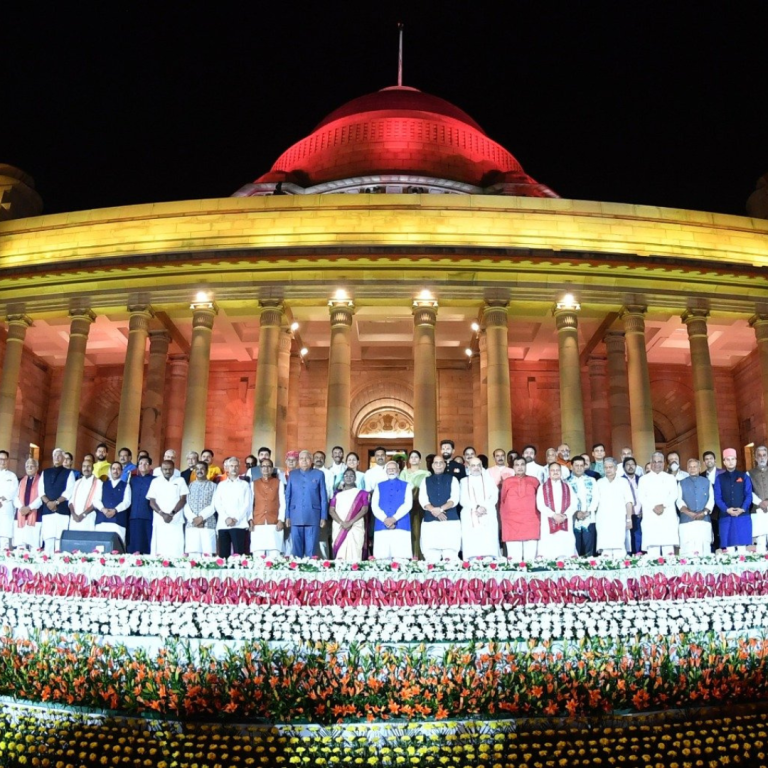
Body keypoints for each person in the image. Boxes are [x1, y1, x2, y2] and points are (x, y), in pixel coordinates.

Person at [284, 450, 328, 558]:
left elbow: (323, 497)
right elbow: (288, 496)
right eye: (301, 458)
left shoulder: (319, 474)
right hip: (296, 515)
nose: (304, 460)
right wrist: (287, 516)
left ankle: (310, 572)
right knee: (296, 549)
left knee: (311, 549)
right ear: (298, 461)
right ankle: (297, 572)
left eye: (307, 458)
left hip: (313, 515)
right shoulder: (292, 474)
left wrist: (323, 516)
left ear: (311, 460)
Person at [419, 456, 461, 562]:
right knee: (431, 556)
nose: (438, 465)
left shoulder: (453, 479)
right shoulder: (425, 480)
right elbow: (423, 500)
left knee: (450, 555)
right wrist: (434, 511)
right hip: (430, 521)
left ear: (444, 465)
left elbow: (454, 499)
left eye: (441, 463)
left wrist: (441, 509)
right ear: (432, 465)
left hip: (450, 520)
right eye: (436, 463)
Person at [637, 452, 680, 557]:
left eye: (660, 461)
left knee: (668, 550)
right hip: (651, 516)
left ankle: (671, 574)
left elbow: (674, 494)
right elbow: (641, 496)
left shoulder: (670, 478)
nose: (657, 464)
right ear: (651, 463)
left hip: (667, 515)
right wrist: (653, 507)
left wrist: (663, 505)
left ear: (664, 463)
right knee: (653, 551)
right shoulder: (643, 479)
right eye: (654, 462)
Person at [499, 457, 540, 560]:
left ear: (526, 466)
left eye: (522, 464)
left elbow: (540, 501)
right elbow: (502, 501)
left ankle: (531, 577)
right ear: (513, 467)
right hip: (511, 522)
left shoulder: (534, 481)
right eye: (517, 465)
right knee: (514, 559)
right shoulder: (507, 482)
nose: (520, 467)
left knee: (531, 559)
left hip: (531, 522)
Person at [459, 458, 499, 559]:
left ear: (482, 467)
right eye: (473, 465)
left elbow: (494, 496)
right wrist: (476, 507)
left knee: (488, 543)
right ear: (468, 467)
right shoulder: (463, 481)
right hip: (470, 516)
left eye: (478, 465)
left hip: (488, 513)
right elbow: (462, 499)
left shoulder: (489, 480)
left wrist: (484, 507)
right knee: (472, 544)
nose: (476, 468)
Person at [714, 448, 753, 553]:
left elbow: (749, 495)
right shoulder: (719, 478)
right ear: (724, 462)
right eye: (728, 459)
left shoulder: (744, 476)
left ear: (736, 460)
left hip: (742, 517)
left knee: (742, 551)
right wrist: (727, 510)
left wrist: (742, 509)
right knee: (728, 550)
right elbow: (717, 498)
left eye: (733, 459)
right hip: (726, 517)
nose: (730, 461)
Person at [370, 462, 411, 560]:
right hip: (382, 524)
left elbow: (408, 504)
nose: (391, 471)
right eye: (389, 469)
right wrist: (385, 519)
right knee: (382, 558)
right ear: (386, 471)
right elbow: (374, 505)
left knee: (401, 559)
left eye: (394, 469)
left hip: (401, 524)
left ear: (398, 470)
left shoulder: (407, 485)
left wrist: (394, 518)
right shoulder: (379, 485)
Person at [148, 460, 188, 557]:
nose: (167, 471)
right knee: (160, 549)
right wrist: (162, 514)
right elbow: (151, 501)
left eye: (170, 469)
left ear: (174, 469)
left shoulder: (180, 480)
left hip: (176, 520)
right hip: (160, 520)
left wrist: (171, 514)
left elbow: (183, 500)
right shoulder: (155, 481)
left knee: (176, 549)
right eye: (165, 469)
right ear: (161, 470)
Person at [595, 458, 634, 558]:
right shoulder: (599, 482)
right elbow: (595, 503)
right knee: (605, 551)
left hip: (619, 520)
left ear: (616, 468)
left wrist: (629, 519)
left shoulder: (623, 482)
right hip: (603, 520)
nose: (608, 470)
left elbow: (628, 502)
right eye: (606, 467)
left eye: (610, 467)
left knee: (619, 550)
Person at [536, 463, 577, 558]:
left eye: (557, 470)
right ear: (549, 473)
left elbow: (574, 504)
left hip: (565, 521)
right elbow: (540, 505)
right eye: (553, 470)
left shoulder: (568, 487)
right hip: (548, 522)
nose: (555, 472)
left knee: (565, 547)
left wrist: (565, 515)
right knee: (549, 551)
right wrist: (553, 515)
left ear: (561, 472)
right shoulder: (542, 487)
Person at [213, 457, 252, 557]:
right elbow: (217, 503)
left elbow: (247, 504)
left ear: (239, 468)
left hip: (239, 524)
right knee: (223, 555)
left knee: (239, 555)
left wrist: (236, 519)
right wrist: (226, 518)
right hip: (223, 523)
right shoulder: (221, 485)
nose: (234, 468)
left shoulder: (245, 485)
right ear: (227, 468)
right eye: (231, 466)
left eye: (236, 466)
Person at [39, 448, 75, 553]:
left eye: (59, 456)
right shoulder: (45, 472)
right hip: (47, 511)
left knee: (60, 541)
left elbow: (69, 492)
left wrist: (56, 503)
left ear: (63, 458)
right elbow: (41, 491)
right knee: (48, 540)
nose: (57, 458)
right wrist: (48, 503)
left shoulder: (69, 473)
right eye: (55, 455)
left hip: (61, 511)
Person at [331, 467, 371, 560]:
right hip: (339, 525)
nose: (348, 477)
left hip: (356, 525)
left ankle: (355, 570)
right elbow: (331, 510)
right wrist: (342, 523)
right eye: (346, 476)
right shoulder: (337, 494)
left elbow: (364, 509)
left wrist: (350, 522)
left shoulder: (362, 493)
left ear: (355, 478)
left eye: (351, 476)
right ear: (343, 478)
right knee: (340, 550)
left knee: (355, 551)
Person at [677, 458, 714, 556]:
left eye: (695, 467)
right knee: (687, 550)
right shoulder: (681, 483)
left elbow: (711, 500)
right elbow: (679, 501)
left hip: (704, 520)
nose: (692, 469)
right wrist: (689, 513)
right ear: (687, 469)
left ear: (699, 468)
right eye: (690, 467)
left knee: (704, 549)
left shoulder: (707, 482)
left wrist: (704, 512)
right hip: (687, 521)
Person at [250, 458, 285, 558]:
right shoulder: (254, 483)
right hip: (258, 521)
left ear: (272, 468)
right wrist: (250, 519)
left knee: (274, 554)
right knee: (258, 553)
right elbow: (250, 504)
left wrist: (281, 520)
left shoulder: (278, 482)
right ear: (260, 469)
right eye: (263, 466)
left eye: (268, 466)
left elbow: (282, 503)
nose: (266, 468)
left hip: (274, 522)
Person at [566, 455, 599, 557]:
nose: (579, 468)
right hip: (573, 519)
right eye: (576, 465)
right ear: (571, 467)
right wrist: (576, 513)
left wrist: (588, 511)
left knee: (589, 547)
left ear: (585, 466)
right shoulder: (566, 482)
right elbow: (566, 500)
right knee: (576, 547)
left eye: (581, 465)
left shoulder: (592, 480)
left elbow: (596, 498)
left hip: (589, 518)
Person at [399, 449, 430, 559]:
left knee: (419, 531)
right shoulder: (404, 473)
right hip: (407, 505)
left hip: (420, 505)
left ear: (420, 460)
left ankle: (419, 556)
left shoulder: (426, 474)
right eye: (411, 457)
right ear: (409, 460)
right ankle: (408, 556)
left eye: (416, 457)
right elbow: (402, 488)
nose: (414, 459)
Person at [184, 460, 217, 556]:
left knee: (208, 555)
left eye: (202, 469)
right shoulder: (189, 486)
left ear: (207, 471)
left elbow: (214, 505)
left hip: (208, 524)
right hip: (192, 524)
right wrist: (193, 519)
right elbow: (186, 504)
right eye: (197, 469)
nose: (199, 471)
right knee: (193, 556)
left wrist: (201, 518)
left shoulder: (214, 486)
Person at [93, 461, 131, 544]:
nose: (115, 471)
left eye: (118, 469)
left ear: (121, 471)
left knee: (116, 548)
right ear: (110, 471)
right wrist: (103, 509)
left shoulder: (126, 485)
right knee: (99, 547)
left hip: (118, 521)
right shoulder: (102, 484)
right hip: (102, 520)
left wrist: (115, 510)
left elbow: (127, 502)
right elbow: (96, 500)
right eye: (113, 469)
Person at [127, 455, 154, 554]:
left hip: (148, 515)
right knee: (135, 543)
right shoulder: (133, 480)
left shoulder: (154, 480)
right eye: (141, 463)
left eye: (146, 463)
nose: (143, 465)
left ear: (150, 466)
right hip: (134, 515)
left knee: (147, 542)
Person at [13, 457, 41, 550]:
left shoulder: (41, 480)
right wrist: (21, 507)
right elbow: (15, 496)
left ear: (37, 467)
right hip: (21, 514)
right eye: (27, 466)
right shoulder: (21, 480)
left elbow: (41, 497)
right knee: (21, 544)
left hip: (35, 515)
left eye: (32, 466)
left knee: (33, 543)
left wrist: (29, 508)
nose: (29, 468)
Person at [68, 456, 101, 533]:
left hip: (88, 517)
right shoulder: (77, 482)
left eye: (88, 466)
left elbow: (96, 502)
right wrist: (73, 514)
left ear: (92, 468)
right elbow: (70, 501)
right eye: (84, 466)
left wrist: (83, 515)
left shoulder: (98, 482)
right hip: (74, 518)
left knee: (87, 542)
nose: (86, 469)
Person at [622, 457, 643, 554]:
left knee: (639, 538)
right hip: (626, 516)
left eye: (632, 464)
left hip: (640, 514)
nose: (630, 467)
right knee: (628, 539)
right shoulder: (620, 481)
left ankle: (639, 557)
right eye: (627, 465)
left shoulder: (642, 480)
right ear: (623, 467)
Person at [750, 445, 768, 553]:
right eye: (759, 456)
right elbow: (748, 492)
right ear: (755, 458)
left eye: (764, 455)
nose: (762, 458)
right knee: (760, 542)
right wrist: (760, 502)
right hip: (757, 510)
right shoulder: (749, 473)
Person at [0, 450, 19, 550]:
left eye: (4, 459)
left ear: (8, 461)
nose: (2, 462)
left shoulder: (12, 476)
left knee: (4, 538)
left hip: (6, 508)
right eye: (0, 459)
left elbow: (13, 491)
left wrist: (1, 499)